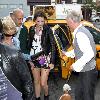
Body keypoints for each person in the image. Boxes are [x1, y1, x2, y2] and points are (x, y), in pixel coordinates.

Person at [62, 10, 98, 100]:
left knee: (86, 97)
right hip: (85, 71)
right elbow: (79, 49)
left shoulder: (80, 34)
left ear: (71, 21)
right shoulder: (81, 31)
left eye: (67, 22)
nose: (67, 25)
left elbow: (89, 53)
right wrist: (68, 54)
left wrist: (75, 65)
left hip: (88, 72)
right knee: (79, 94)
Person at [0, 17, 34, 100]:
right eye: (8, 35)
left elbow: (19, 56)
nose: (10, 38)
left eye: (13, 35)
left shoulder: (16, 42)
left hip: (16, 82)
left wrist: (30, 59)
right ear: (2, 33)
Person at [28, 11, 55, 100]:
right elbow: (29, 45)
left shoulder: (48, 30)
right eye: (38, 21)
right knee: (36, 82)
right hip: (34, 58)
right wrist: (29, 59)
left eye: (42, 21)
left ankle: (46, 96)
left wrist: (52, 62)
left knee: (43, 83)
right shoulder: (31, 29)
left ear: (45, 21)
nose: (40, 23)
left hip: (44, 58)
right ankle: (38, 98)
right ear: (35, 21)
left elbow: (52, 46)